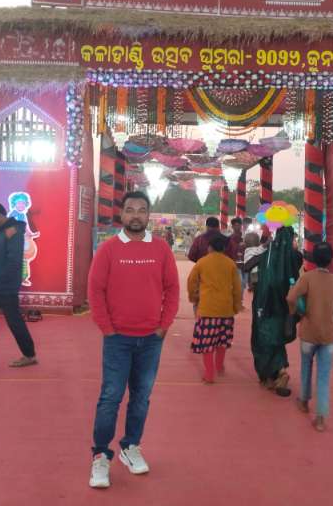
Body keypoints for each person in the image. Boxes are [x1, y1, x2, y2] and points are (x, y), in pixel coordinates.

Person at [88, 191, 180, 489]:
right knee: (111, 398)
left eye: (142, 210)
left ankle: (130, 446)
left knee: (141, 398)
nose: (136, 215)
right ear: (122, 214)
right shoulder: (108, 249)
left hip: (151, 340)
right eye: (130, 210)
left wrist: (164, 326)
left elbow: (172, 289)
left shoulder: (161, 248)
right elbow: (95, 291)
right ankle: (101, 455)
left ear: (149, 214)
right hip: (117, 339)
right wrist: (107, 329)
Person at [287, 242, 333, 432]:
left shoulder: (307, 278)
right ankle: (320, 418)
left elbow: (291, 297)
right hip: (328, 334)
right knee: (324, 376)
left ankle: (304, 401)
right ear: (331, 260)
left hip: (308, 332)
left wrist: (296, 312)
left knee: (306, 367)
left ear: (313, 258)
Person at [0, 203, 37, 368]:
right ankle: (30, 355)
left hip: (5, 288)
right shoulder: (2, 231)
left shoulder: (13, 231)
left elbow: (14, 261)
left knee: (14, 322)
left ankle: (29, 355)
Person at [250, 226, 299, 397]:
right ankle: (280, 371)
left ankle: (270, 376)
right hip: (283, 308)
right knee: (277, 340)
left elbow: (249, 269)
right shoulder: (294, 257)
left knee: (263, 340)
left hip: (263, 306)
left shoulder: (267, 254)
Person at [188, 235, 242, 383]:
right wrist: (236, 306)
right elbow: (238, 288)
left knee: (207, 343)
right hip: (226, 310)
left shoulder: (202, 262)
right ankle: (219, 366)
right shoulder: (230, 264)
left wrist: (194, 297)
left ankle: (209, 374)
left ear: (209, 247)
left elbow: (191, 282)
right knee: (222, 341)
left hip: (207, 310)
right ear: (224, 248)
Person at [225, 217, 246, 296]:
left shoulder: (245, 238)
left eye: (239, 225)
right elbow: (226, 252)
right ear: (232, 226)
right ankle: (237, 300)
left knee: (243, 284)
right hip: (234, 265)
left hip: (245, 265)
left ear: (241, 226)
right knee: (240, 284)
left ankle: (239, 300)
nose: (238, 227)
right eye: (236, 225)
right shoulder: (229, 239)